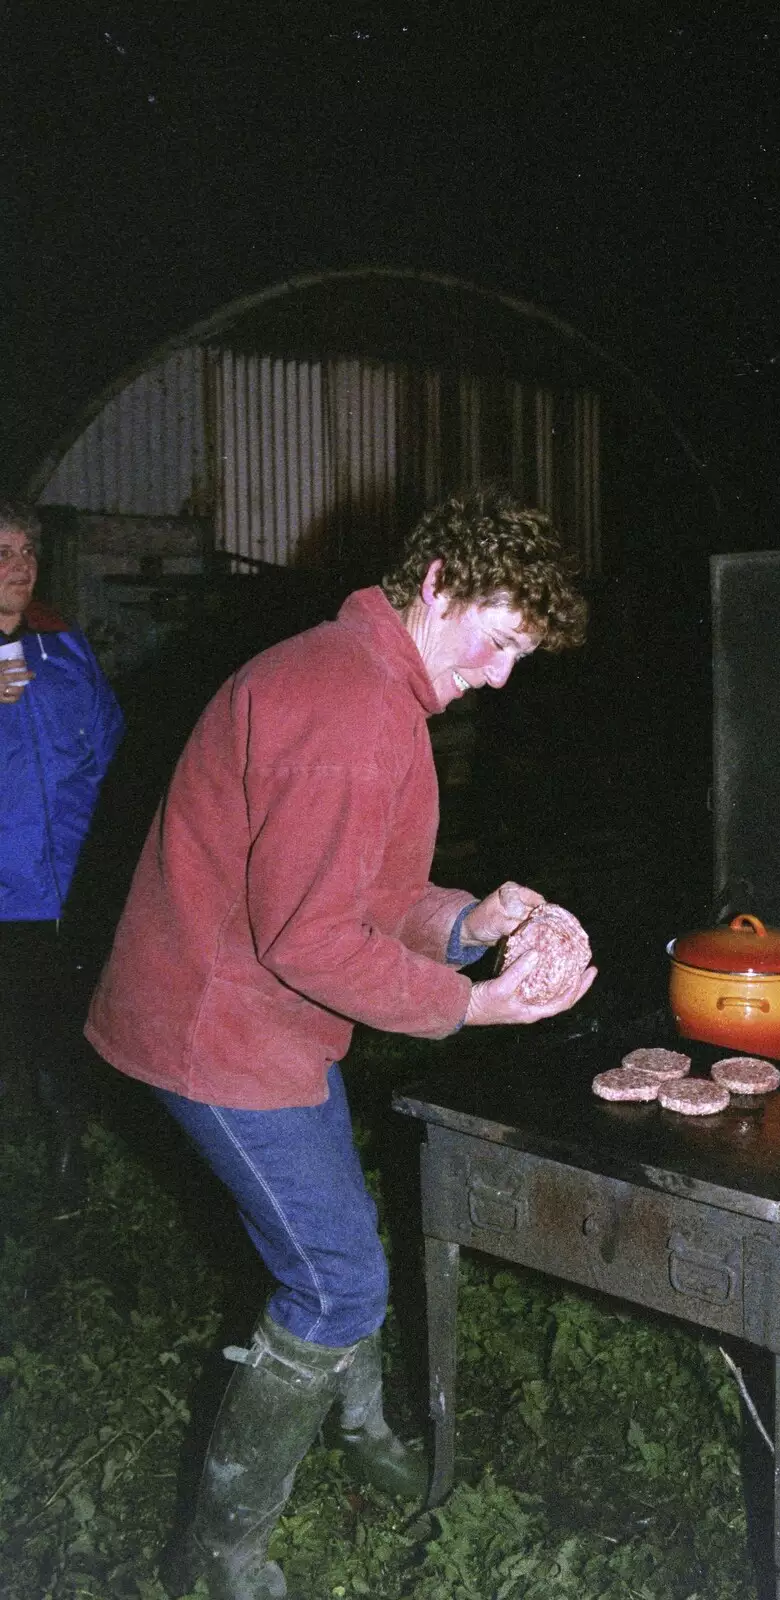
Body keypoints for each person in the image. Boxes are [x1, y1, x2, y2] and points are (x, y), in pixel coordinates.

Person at [84, 486, 596, 1600]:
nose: (503, 675)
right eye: (499, 639)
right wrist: (469, 1006)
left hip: (254, 1017)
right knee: (340, 1284)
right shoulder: (351, 709)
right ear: (438, 585)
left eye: (523, 654)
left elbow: (376, 893)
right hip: (215, 1032)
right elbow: (313, 939)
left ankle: (358, 1434)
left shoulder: (364, 681)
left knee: (335, 1245)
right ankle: (216, 1556)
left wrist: (467, 922)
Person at [0, 499, 124, 1190]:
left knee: (65, 1029)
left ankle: (68, 1153)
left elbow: (109, 745)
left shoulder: (62, 645)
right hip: (3, 888)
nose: (20, 566)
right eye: (3, 552)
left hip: (70, 883)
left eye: (28, 552)